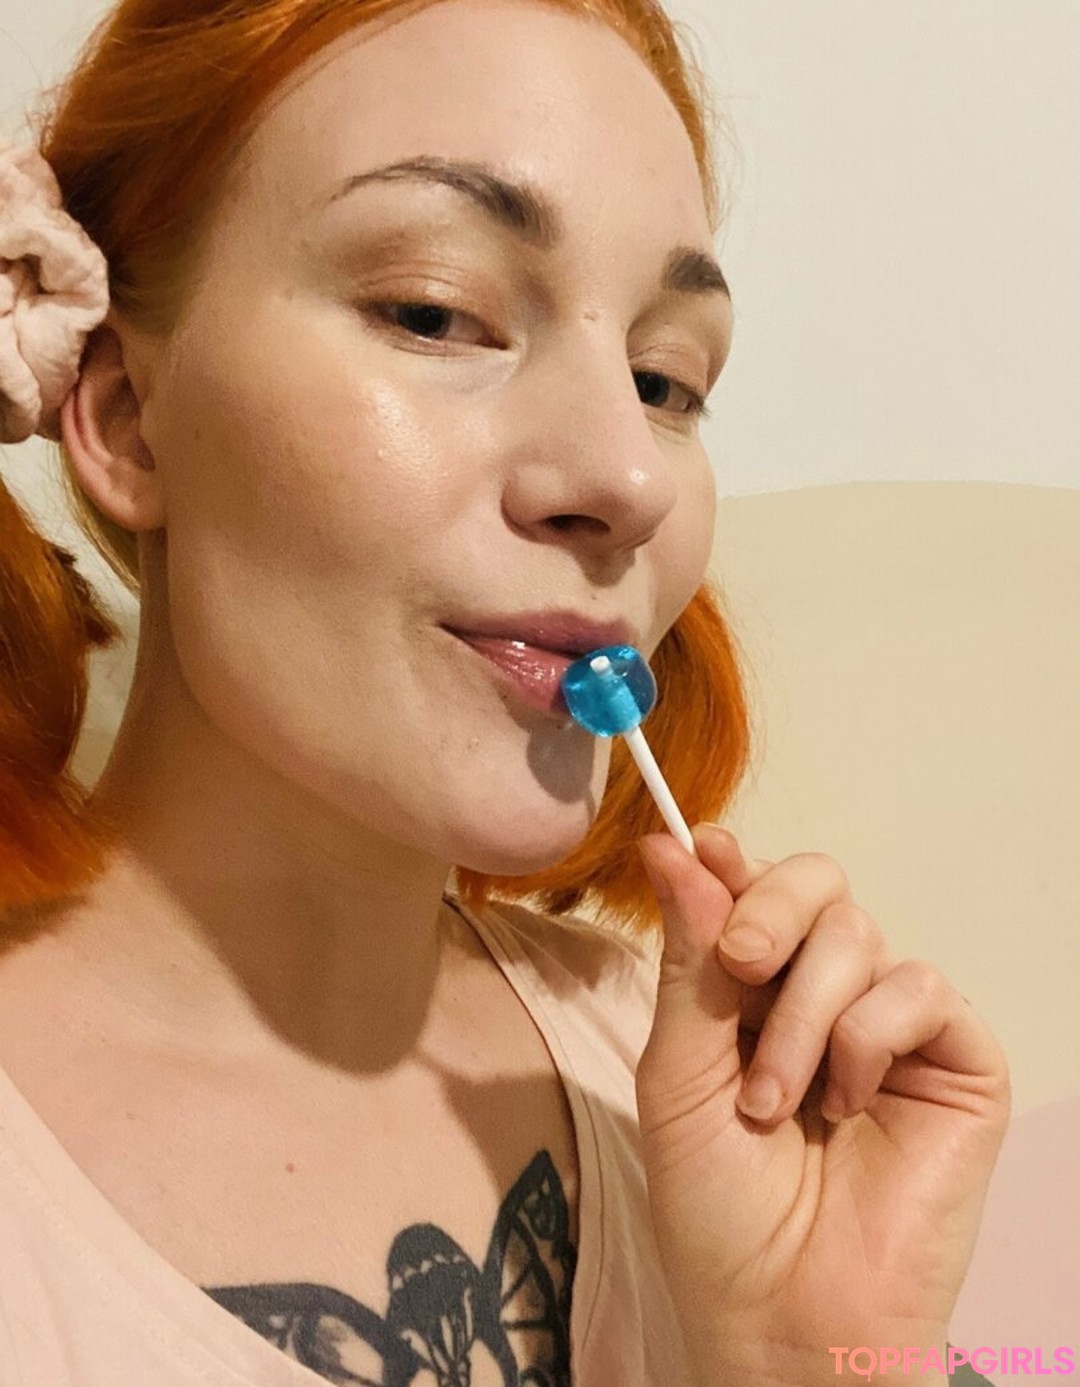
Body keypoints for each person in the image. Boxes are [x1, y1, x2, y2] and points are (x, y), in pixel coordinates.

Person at [0, 0, 1010, 1383]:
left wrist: (826, 1359)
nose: (628, 475)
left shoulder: (715, 1089)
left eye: (664, 380)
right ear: (124, 416)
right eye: (435, 312)